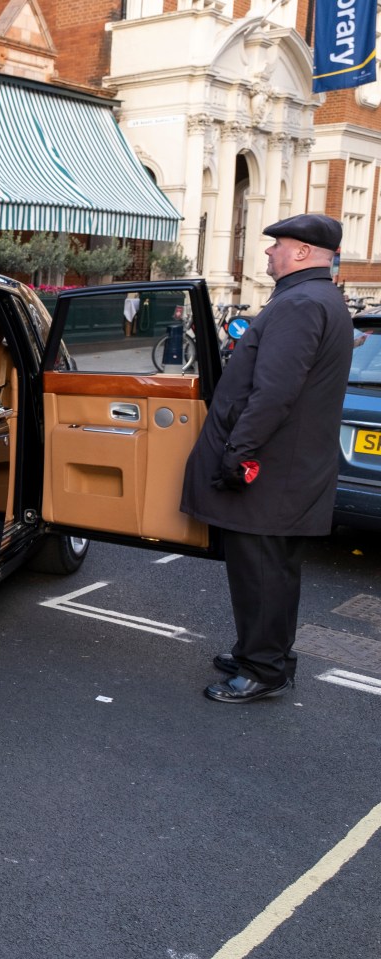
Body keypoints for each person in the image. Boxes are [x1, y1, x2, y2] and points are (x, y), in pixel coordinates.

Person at [180, 213, 353, 704]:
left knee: (262, 570)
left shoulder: (299, 304)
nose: (268, 253)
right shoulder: (318, 298)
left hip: (274, 471)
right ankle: (261, 652)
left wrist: (239, 452)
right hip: (289, 468)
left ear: (301, 253)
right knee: (270, 569)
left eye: (277, 245)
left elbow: (274, 394)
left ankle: (264, 669)